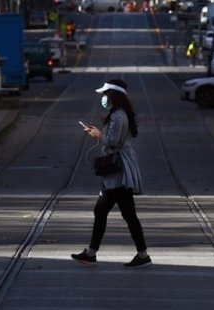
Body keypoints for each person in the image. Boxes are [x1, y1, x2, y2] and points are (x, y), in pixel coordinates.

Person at [71, 79, 151, 269]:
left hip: (118, 172)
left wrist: (98, 134)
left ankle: (92, 253)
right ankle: (141, 254)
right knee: (126, 214)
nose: (103, 98)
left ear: (113, 96)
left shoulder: (117, 116)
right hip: (121, 171)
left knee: (103, 211)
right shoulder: (122, 114)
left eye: (106, 95)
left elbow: (112, 141)